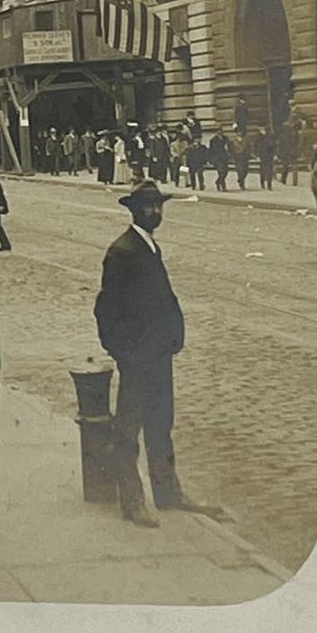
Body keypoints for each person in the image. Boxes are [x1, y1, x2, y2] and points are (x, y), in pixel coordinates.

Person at [94, 180, 223, 527]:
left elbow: (161, 299)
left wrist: (173, 335)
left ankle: (167, 492)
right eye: (148, 207)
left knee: (160, 425)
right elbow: (106, 310)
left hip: (158, 355)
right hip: (138, 358)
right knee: (128, 429)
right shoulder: (122, 251)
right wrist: (123, 352)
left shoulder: (149, 247)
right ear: (134, 210)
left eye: (158, 206)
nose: (155, 212)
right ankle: (132, 501)